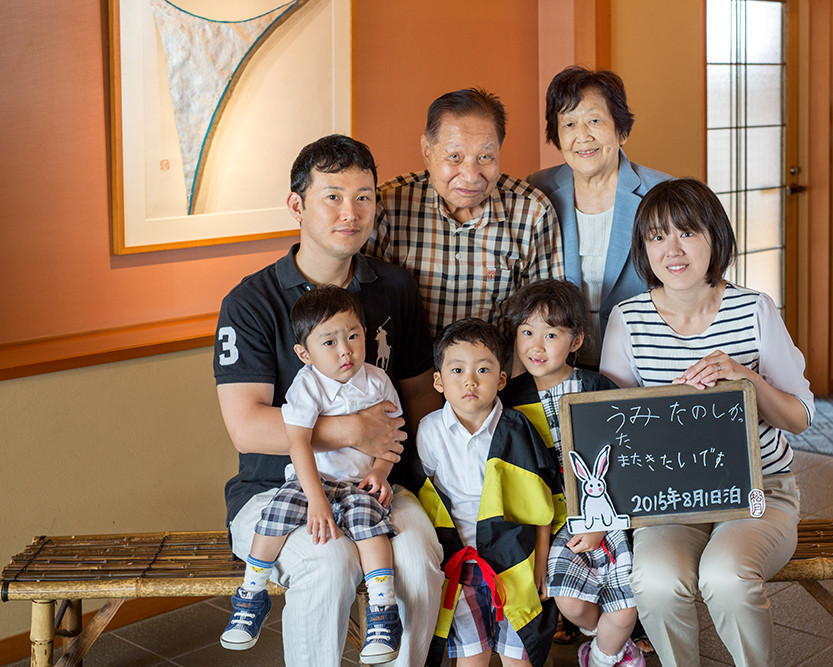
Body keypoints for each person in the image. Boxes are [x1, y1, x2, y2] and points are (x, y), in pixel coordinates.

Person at [214, 134, 445, 665]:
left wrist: (393, 465)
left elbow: (418, 399)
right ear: (297, 206)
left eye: (364, 197)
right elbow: (247, 427)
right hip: (276, 488)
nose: (351, 213)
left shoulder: (394, 287)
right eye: (333, 197)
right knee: (330, 562)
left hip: (374, 482)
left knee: (415, 559)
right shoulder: (251, 302)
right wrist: (354, 430)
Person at [599, 179, 814, 667]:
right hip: (668, 500)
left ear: (715, 236)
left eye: (687, 233)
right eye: (657, 237)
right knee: (655, 580)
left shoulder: (753, 309)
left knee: (726, 575)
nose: (672, 250)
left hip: (760, 491)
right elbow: (613, 430)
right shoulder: (628, 320)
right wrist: (668, 406)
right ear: (644, 249)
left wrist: (746, 379)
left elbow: (800, 417)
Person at [220, 286, 404, 662]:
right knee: (275, 516)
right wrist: (316, 500)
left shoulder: (378, 381)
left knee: (372, 528)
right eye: (330, 342)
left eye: (353, 336)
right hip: (311, 480)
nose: (345, 351)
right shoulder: (307, 385)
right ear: (304, 354)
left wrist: (381, 472)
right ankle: (251, 595)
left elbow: (392, 437)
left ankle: (383, 611)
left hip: (357, 483)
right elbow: (299, 444)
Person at [499, 279, 644, 667]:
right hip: (551, 519)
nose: (536, 346)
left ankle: (603, 655)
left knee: (625, 609)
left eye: (551, 335)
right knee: (571, 602)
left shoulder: (595, 387)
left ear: (576, 340)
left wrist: (600, 521)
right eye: (527, 332)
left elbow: (624, 457)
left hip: (606, 512)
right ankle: (611, 642)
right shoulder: (510, 400)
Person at [415, 319, 561, 667]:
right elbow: (427, 501)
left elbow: (540, 505)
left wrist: (541, 563)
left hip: (516, 559)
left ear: (501, 379)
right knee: (472, 658)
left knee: (518, 657)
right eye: (457, 370)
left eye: (483, 370)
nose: (470, 381)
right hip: (460, 562)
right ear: (438, 381)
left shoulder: (517, 428)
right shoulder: (430, 431)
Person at [369, 87, 565, 337]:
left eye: (485, 157)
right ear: (427, 151)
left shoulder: (532, 213)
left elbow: (545, 324)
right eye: (455, 156)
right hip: (404, 362)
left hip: (497, 361)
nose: (471, 176)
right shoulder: (387, 205)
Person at [527, 66, 673, 366]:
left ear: (622, 130)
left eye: (594, 120)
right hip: (560, 365)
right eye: (569, 124)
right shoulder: (538, 191)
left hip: (644, 358)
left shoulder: (661, 193)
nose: (582, 136)